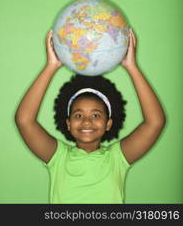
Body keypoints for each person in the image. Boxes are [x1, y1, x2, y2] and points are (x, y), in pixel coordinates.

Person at [15, 28, 166, 204]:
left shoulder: (117, 158)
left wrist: (132, 67)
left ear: (108, 123)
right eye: (78, 115)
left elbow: (155, 122)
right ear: (68, 123)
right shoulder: (58, 157)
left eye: (96, 115)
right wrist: (51, 66)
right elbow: (24, 120)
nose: (87, 121)